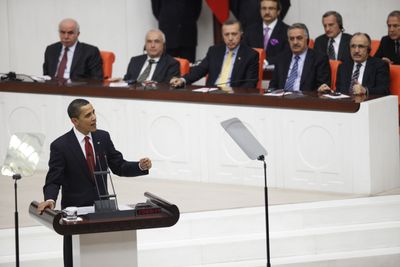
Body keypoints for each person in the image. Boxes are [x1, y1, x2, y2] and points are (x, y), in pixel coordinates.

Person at [37, 98, 152, 267]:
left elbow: (119, 166)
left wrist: (140, 166)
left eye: (94, 112)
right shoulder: (60, 146)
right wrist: (50, 199)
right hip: (75, 215)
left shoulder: (102, 137)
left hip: (102, 212)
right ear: (75, 121)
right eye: (88, 115)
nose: (94, 117)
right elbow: (54, 180)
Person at [170, 19, 259, 89]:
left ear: (241, 34)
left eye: (234, 34)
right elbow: (199, 70)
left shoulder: (250, 55)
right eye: (226, 35)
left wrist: (233, 94)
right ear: (222, 35)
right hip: (212, 94)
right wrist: (182, 79)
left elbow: (250, 83)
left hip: (234, 96)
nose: (230, 38)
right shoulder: (214, 51)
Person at [269, 23, 331, 91]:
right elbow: (273, 86)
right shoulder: (281, 58)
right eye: (292, 39)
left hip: (306, 99)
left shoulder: (319, 59)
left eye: (299, 38)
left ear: (307, 39)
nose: (295, 42)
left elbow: (322, 87)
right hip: (282, 99)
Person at [243, 0, 290, 65]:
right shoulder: (250, 31)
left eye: (271, 8)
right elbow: (244, 53)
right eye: (264, 8)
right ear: (260, 10)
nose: (267, 12)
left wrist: (266, 62)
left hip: (277, 72)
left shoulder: (288, 31)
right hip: (253, 71)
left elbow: (287, 54)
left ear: (278, 11)